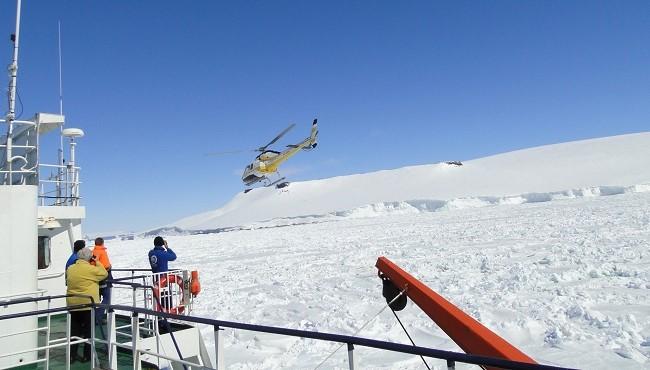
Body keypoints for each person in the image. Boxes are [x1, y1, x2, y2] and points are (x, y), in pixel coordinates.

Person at [66, 247, 107, 363]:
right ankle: (87, 356)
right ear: (89, 258)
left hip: (73, 304)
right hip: (88, 305)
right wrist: (96, 261)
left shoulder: (70, 269)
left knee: (74, 331)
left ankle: (71, 356)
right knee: (88, 331)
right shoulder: (91, 270)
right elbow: (103, 273)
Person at [92, 237, 112, 323]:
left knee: (97, 298)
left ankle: (95, 317)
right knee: (107, 297)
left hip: (98, 276)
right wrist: (108, 267)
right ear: (102, 243)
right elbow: (97, 263)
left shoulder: (93, 252)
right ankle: (98, 318)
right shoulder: (100, 251)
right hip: (104, 276)